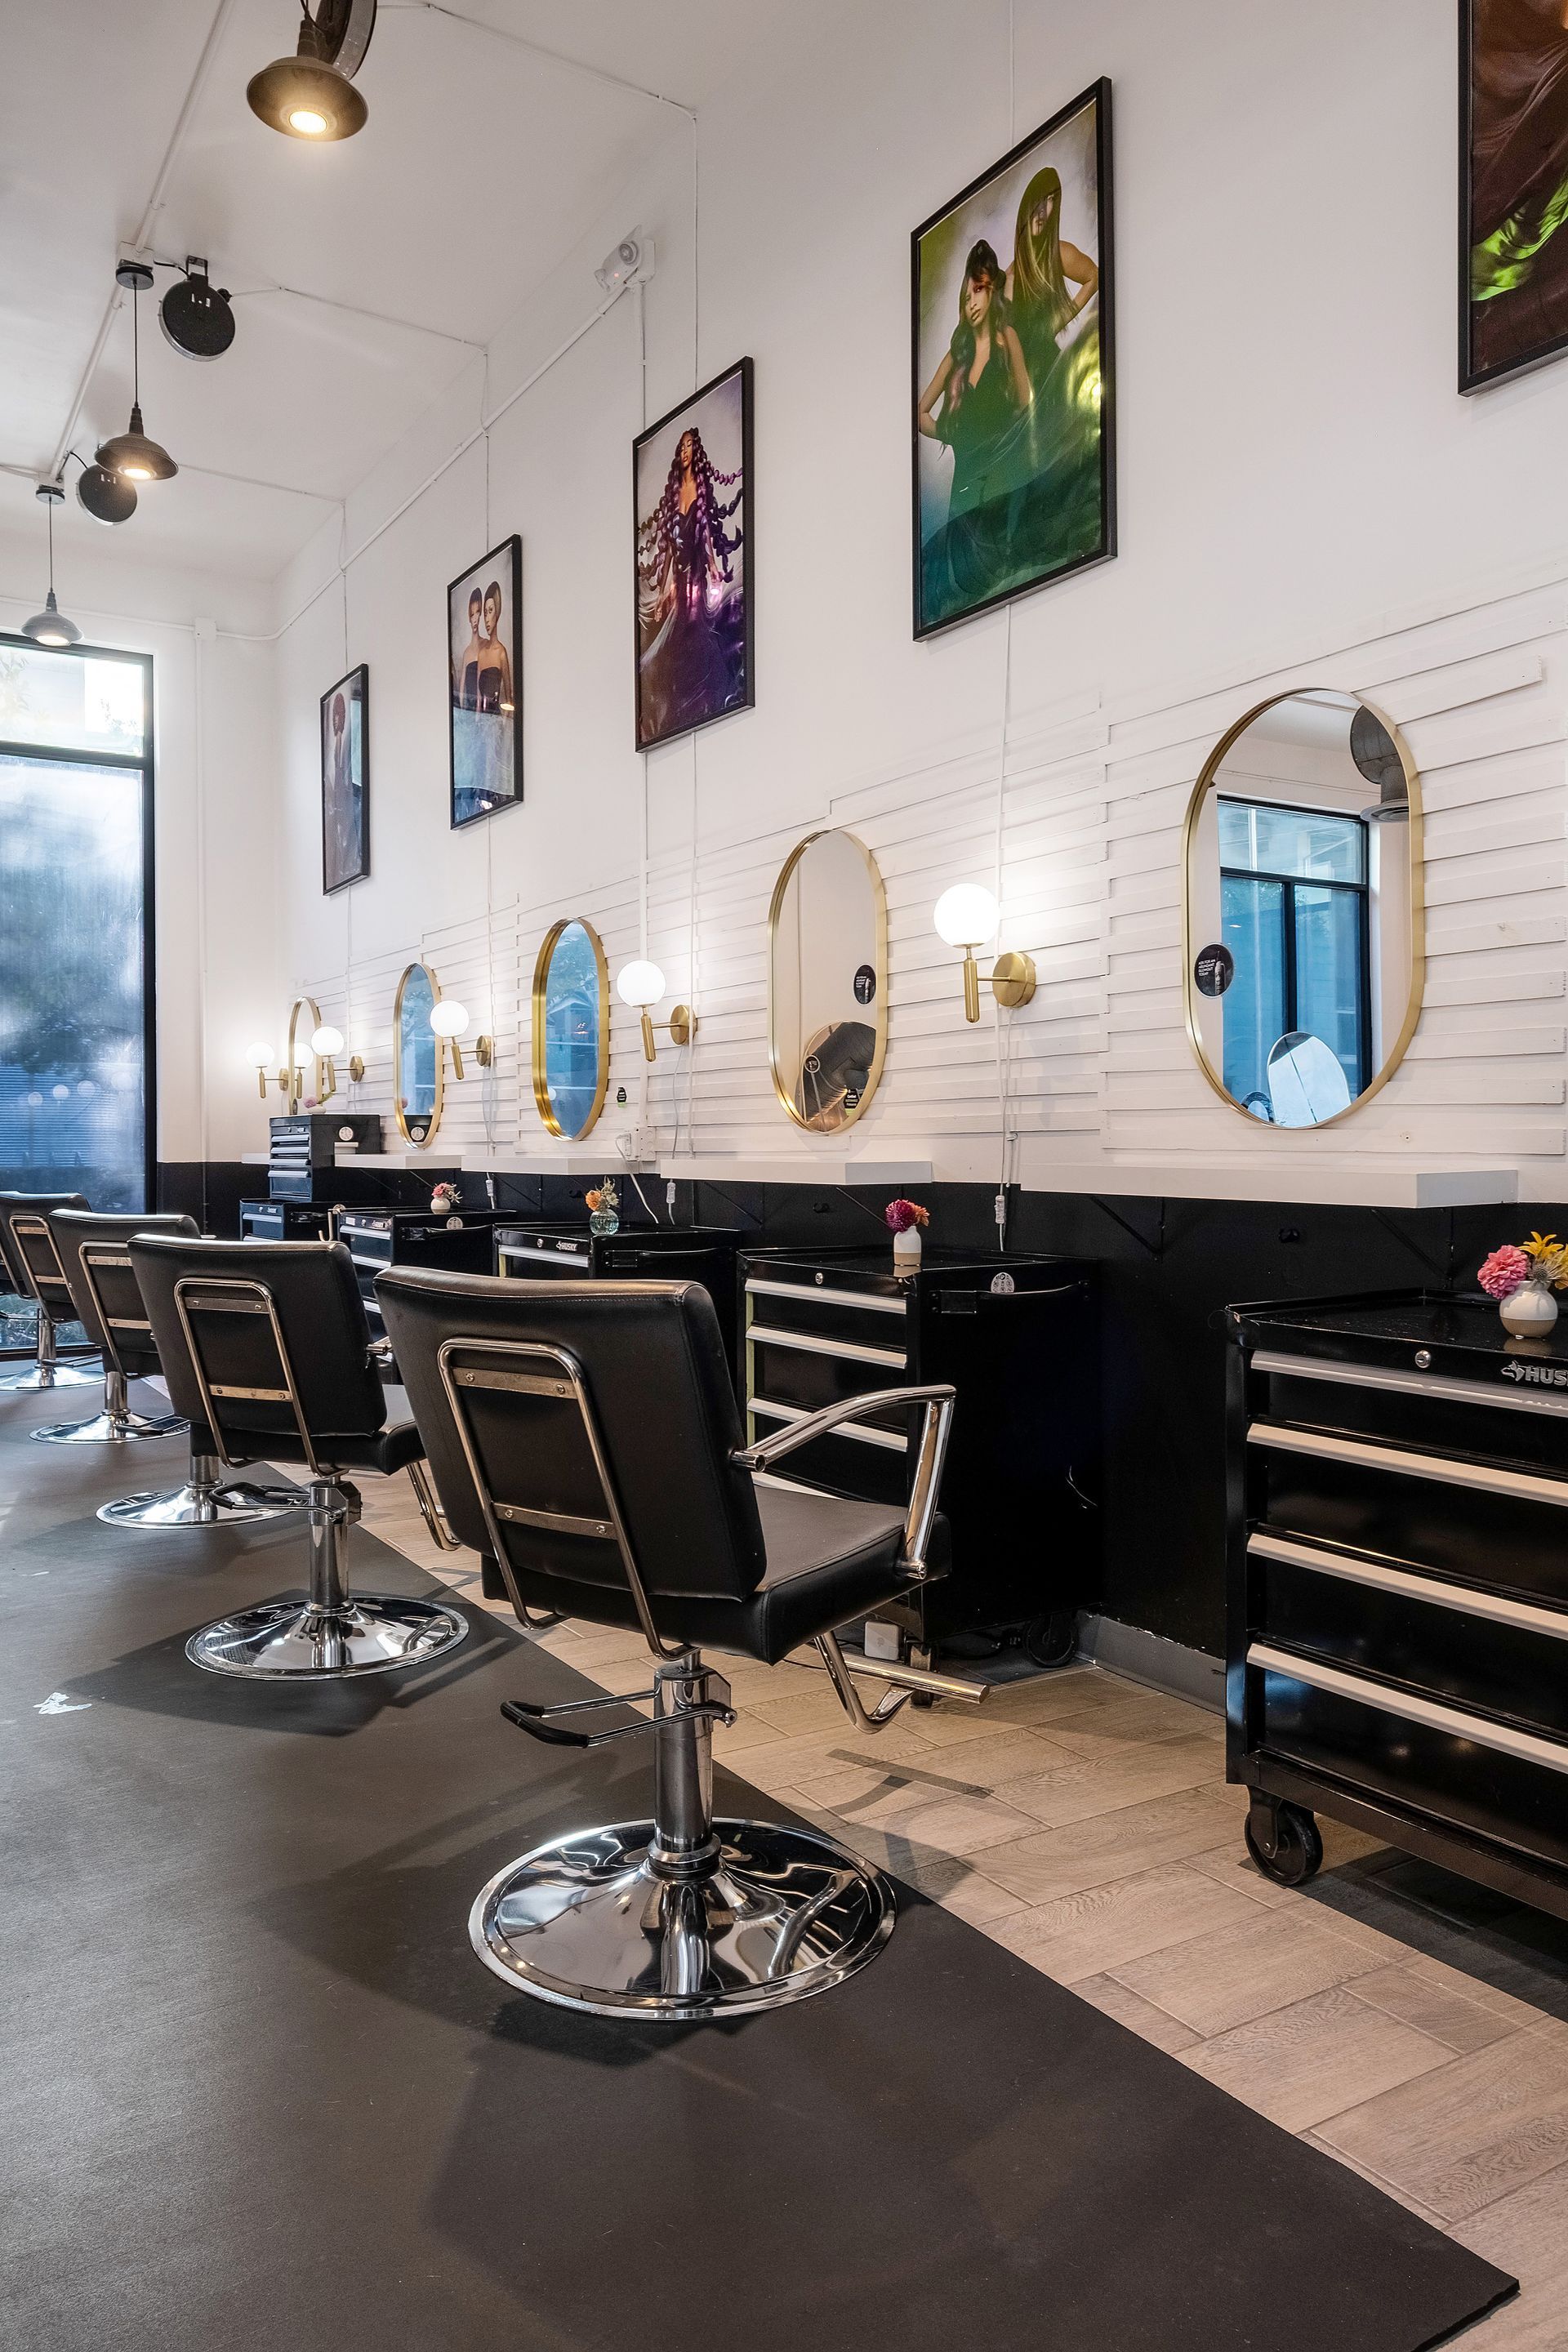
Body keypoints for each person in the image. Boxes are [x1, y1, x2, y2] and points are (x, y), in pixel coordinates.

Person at [636, 425, 746, 746]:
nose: (685, 452)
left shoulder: (698, 489)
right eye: (681, 447)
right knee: (676, 636)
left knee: (694, 631)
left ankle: (701, 695)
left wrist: (713, 569)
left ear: (696, 452)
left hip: (696, 575)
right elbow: (671, 550)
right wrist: (662, 594)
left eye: (689, 447)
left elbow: (706, 536)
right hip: (679, 579)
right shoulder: (674, 495)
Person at [1004, 167, 1098, 402]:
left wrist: (1056, 322)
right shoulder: (1011, 272)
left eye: (1051, 200)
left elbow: (1093, 277)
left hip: (1048, 378)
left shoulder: (1058, 253)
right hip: (1017, 390)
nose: (1044, 210)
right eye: (1040, 199)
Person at [452, 586, 484, 711]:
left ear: (481, 614)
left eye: (477, 612)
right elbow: (461, 691)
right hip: (470, 710)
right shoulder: (467, 653)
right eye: (472, 614)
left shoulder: (486, 645)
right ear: (469, 618)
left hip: (485, 710)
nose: (475, 618)